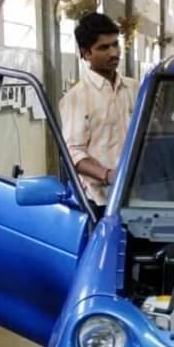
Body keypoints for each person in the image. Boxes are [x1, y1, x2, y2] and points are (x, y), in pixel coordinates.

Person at [59, 13, 137, 214]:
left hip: (137, 196)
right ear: (86, 53)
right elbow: (73, 152)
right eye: (104, 47)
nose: (114, 53)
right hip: (100, 202)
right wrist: (109, 175)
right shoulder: (77, 98)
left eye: (115, 44)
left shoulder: (135, 88)